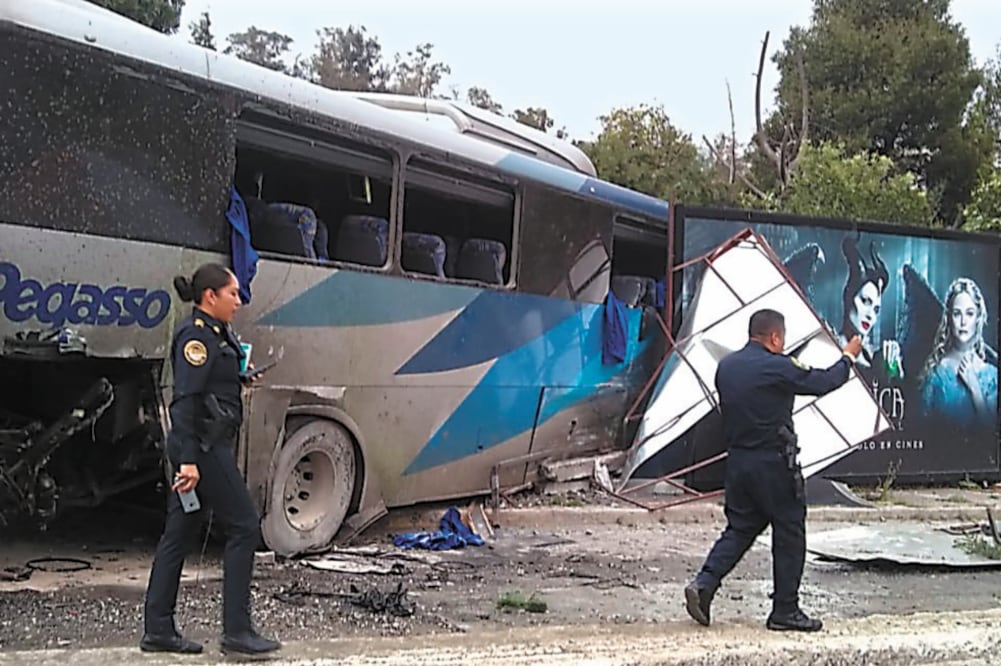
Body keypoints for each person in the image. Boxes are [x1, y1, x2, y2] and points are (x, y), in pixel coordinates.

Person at [684, 309, 862, 632]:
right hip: (774, 464)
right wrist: (848, 357)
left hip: (738, 463)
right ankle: (785, 610)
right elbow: (825, 381)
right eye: (782, 340)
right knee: (790, 530)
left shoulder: (727, 368)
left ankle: (705, 584)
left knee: (740, 528)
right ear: (775, 338)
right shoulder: (778, 367)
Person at [141, 263, 281, 656]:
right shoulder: (195, 336)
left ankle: (158, 630)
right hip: (202, 448)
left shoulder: (218, 333)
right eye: (233, 293)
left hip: (201, 445)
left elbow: (208, 385)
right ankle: (237, 632)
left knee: (179, 534)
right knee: (244, 526)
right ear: (210, 297)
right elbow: (184, 400)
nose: (239, 301)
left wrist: (239, 379)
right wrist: (188, 461)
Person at [919, 277, 998, 429]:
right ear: (949, 318)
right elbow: (922, 432)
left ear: (978, 318)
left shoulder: (992, 376)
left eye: (969, 314)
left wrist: (975, 388)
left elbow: (992, 435)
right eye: (957, 314)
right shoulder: (936, 374)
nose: (963, 322)